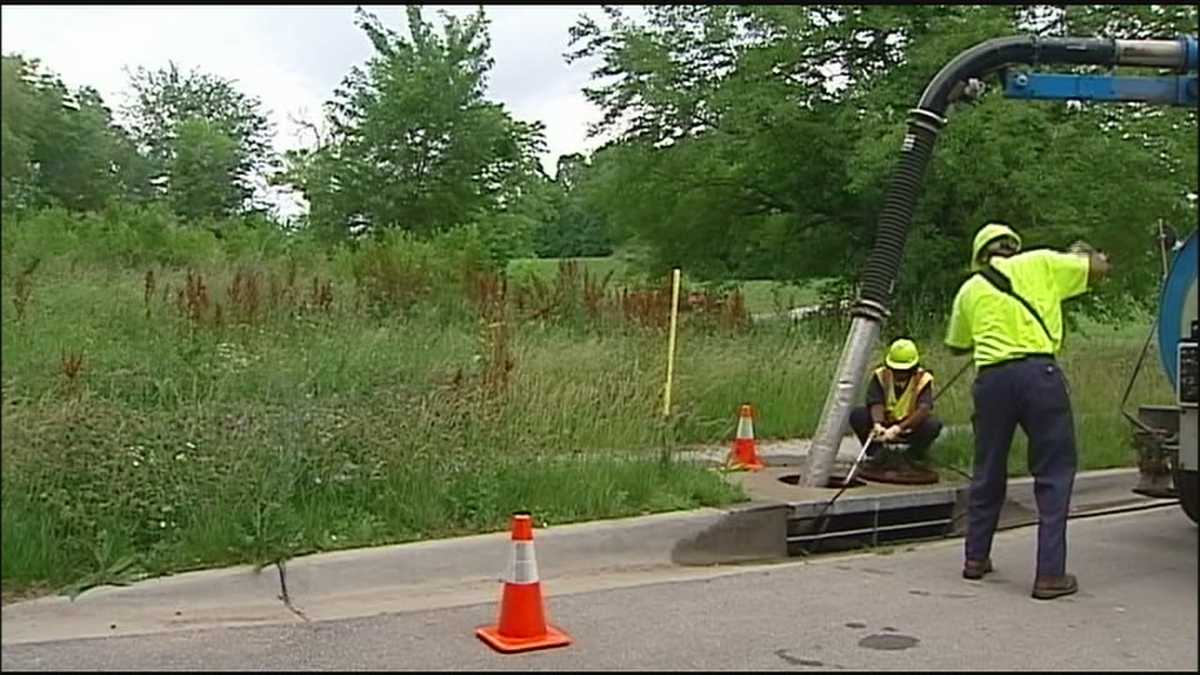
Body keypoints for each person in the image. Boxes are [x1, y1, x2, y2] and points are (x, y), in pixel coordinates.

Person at [945, 223, 1111, 600]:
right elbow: (1099, 269)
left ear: (980, 256)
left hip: (992, 381)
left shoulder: (969, 289)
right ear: (1013, 248)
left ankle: (975, 558)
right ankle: (1050, 575)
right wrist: (1086, 253)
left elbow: (957, 345)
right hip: (1040, 375)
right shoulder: (1042, 263)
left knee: (988, 467)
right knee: (1053, 472)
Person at [848, 338, 944, 464]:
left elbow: (923, 409)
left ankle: (913, 456)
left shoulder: (923, 379)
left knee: (932, 425)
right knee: (858, 415)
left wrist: (898, 429)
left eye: (903, 371)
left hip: (910, 426)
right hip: (885, 424)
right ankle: (876, 454)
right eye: (896, 369)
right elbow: (876, 401)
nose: (899, 374)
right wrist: (878, 424)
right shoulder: (881, 375)